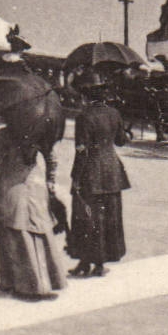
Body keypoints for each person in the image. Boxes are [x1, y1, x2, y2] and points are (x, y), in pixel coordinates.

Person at [0, 126, 66, 299]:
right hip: (36, 183)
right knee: (38, 228)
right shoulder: (39, 131)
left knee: (12, 231)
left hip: (10, 184)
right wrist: (50, 180)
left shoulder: (4, 134)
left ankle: (16, 282)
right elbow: (52, 159)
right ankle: (49, 279)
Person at [68, 80, 130, 277]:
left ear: (86, 96)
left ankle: (86, 261)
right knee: (108, 217)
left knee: (86, 217)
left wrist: (76, 177)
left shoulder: (83, 117)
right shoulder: (114, 113)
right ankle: (99, 263)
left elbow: (81, 151)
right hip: (112, 171)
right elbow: (121, 141)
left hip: (90, 172)